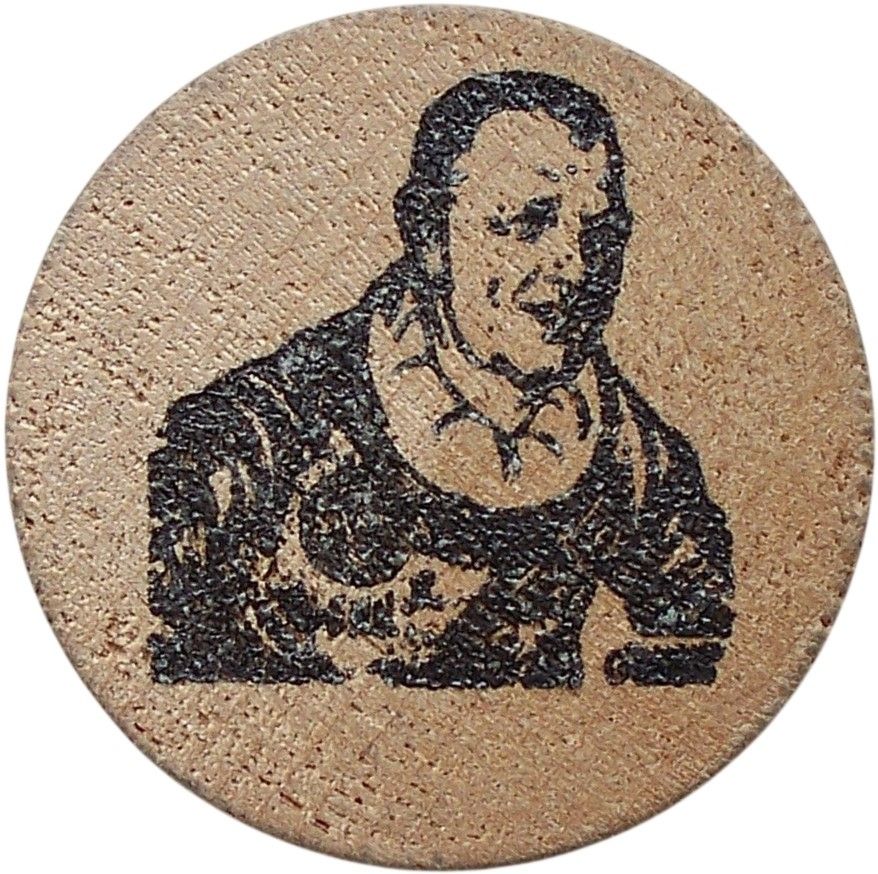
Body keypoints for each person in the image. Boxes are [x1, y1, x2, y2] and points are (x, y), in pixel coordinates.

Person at [147, 70, 734, 689]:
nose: (576, 267)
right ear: (429, 234)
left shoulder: (635, 456)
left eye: (603, 235)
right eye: (529, 222)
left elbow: (700, 660)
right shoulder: (251, 437)